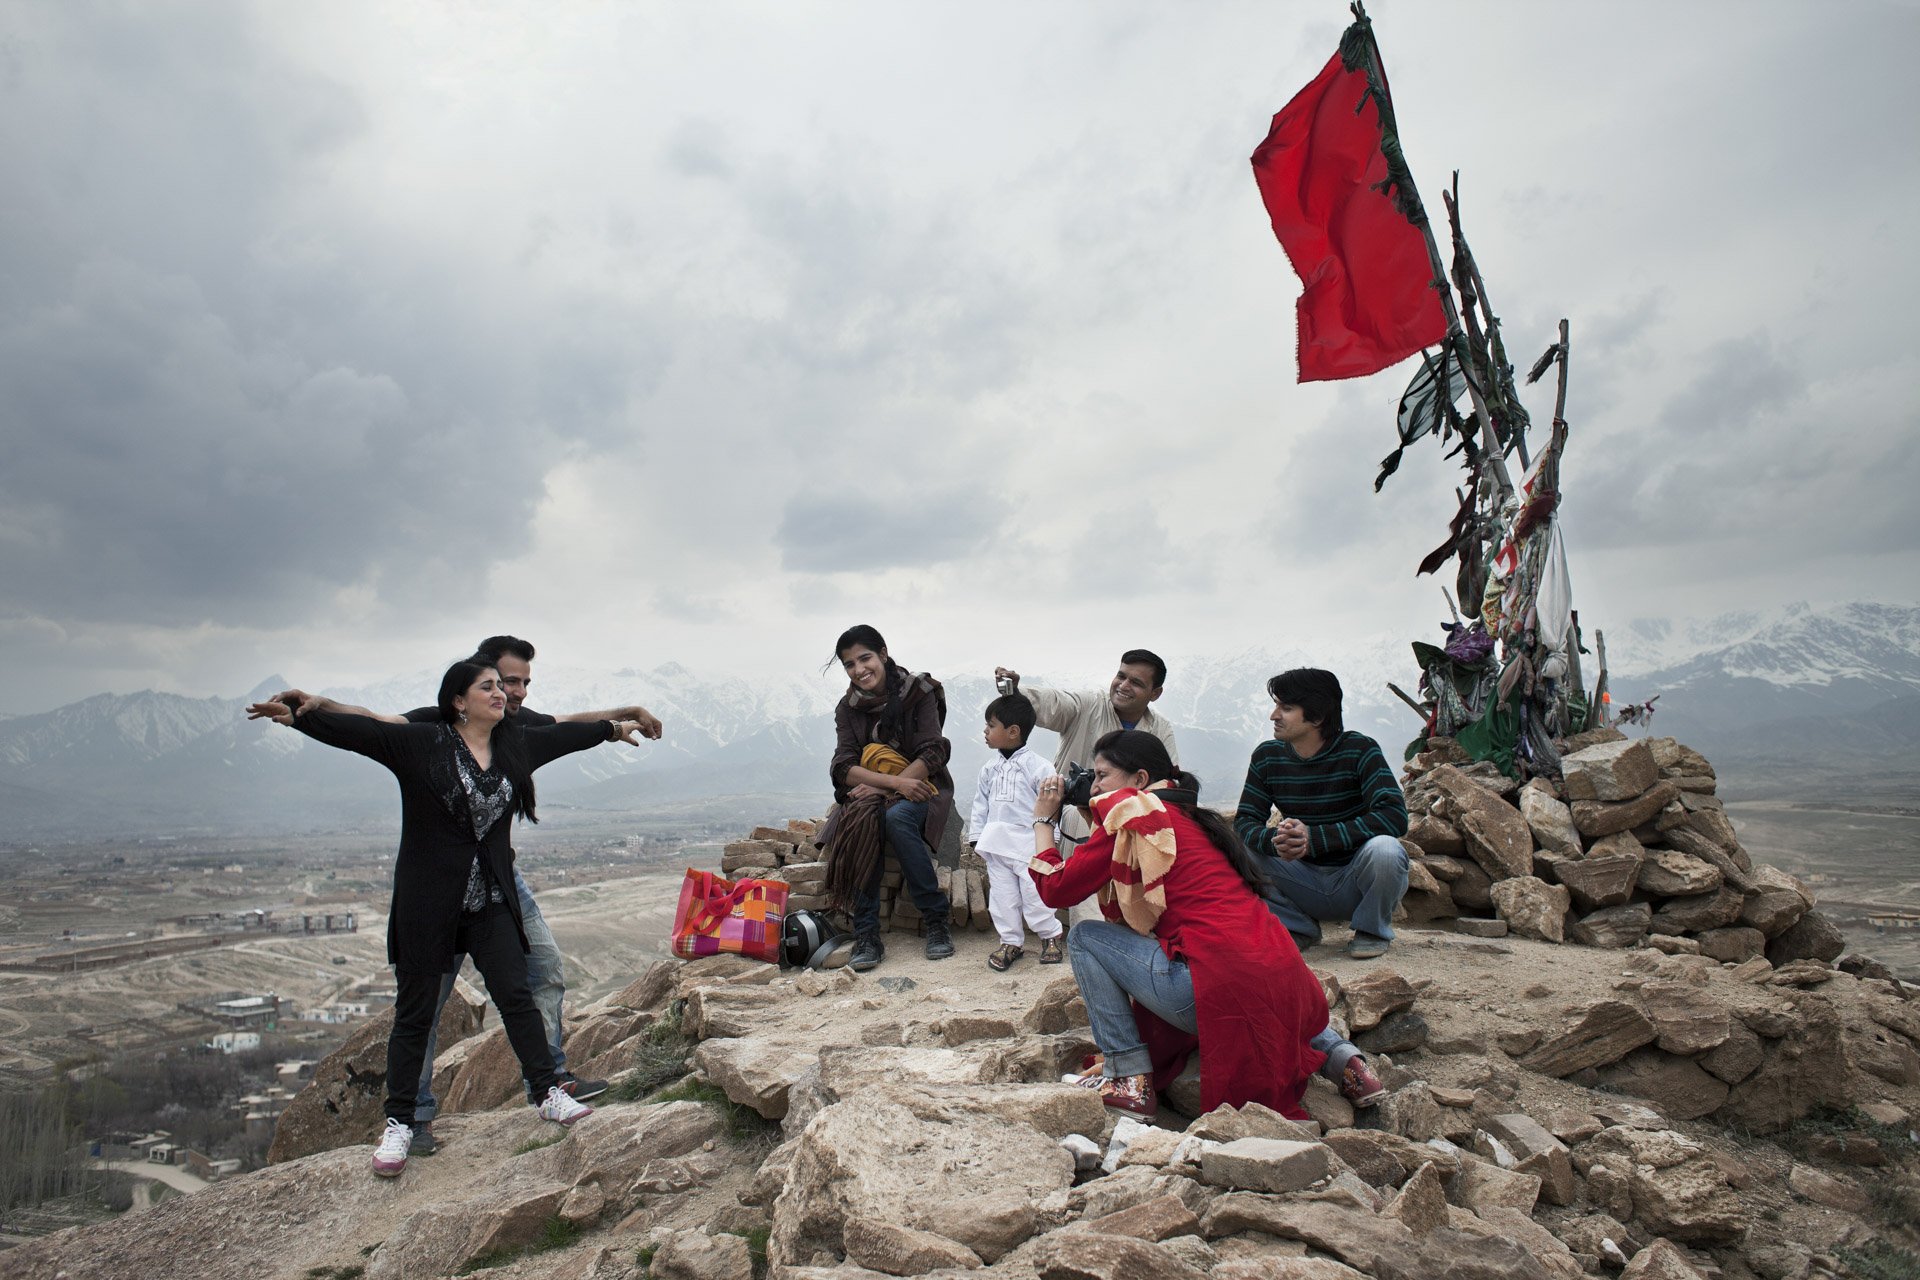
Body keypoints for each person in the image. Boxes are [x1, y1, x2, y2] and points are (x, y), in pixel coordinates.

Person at [247, 658, 647, 1178]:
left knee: (516, 997)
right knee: (415, 1016)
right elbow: (363, 733)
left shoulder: (514, 745)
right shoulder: (424, 743)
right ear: (458, 700)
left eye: (503, 686)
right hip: (428, 907)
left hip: (489, 904)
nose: (502, 694)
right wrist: (300, 717)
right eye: (489, 687)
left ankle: (547, 1092)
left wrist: (615, 729)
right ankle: (401, 1123)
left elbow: (570, 735)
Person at [1028, 730, 1380, 1118]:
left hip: (1213, 985)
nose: (1093, 787)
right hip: (1289, 980)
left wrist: (1044, 818)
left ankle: (1127, 1078)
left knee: (1083, 937)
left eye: (1101, 775)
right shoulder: (1193, 818)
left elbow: (1055, 889)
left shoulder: (1135, 811)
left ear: (1140, 780)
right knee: (1265, 992)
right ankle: (1348, 1064)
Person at [1233, 668, 1410, 960]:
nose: (1273, 715)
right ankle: (1298, 927)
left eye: (1286, 708)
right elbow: (1245, 822)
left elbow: (1394, 816)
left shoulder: (1359, 749)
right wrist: (1276, 840)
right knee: (1234, 848)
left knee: (1387, 850)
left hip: (1353, 879)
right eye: (1277, 705)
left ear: (1316, 717)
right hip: (1300, 880)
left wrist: (1314, 838)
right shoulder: (1267, 757)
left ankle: (1371, 929)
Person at [821, 625, 955, 972]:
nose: (859, 669)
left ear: (882, 653)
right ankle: (867, 932)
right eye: (849, 664)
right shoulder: (848, 708)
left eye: (865, 658)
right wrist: (888, 786)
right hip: (878, 789)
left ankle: (936, 919)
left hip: (923, 784)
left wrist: (891, 786)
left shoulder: (919, 692)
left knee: (896, 818)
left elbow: (932, 753)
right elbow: (843, 767)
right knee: (863, 818)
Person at [992, 650, 1179, 843]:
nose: (1123, 686)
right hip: (1073, 813)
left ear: (1155, 693)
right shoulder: (1089, 705)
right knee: (1084, 814)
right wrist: (1017, 692)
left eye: (1136, 683)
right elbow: (1054, 703)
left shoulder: (1160, 728)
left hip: (1133, 822)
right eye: (1121, 676)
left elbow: (1168, 783)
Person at [967, 692, 1064, 971]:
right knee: (1002, 898)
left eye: (991, 725)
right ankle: (1011, 941)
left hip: (1029, 846)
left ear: (1012, 732)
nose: (985, 731)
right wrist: (976, 837)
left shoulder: (1039, 767)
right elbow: (980, 803)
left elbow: (1051, 805)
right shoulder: (989, 768)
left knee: (1035, 896)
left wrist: (1051, 841)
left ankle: (1050, 936)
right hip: (997, 844)